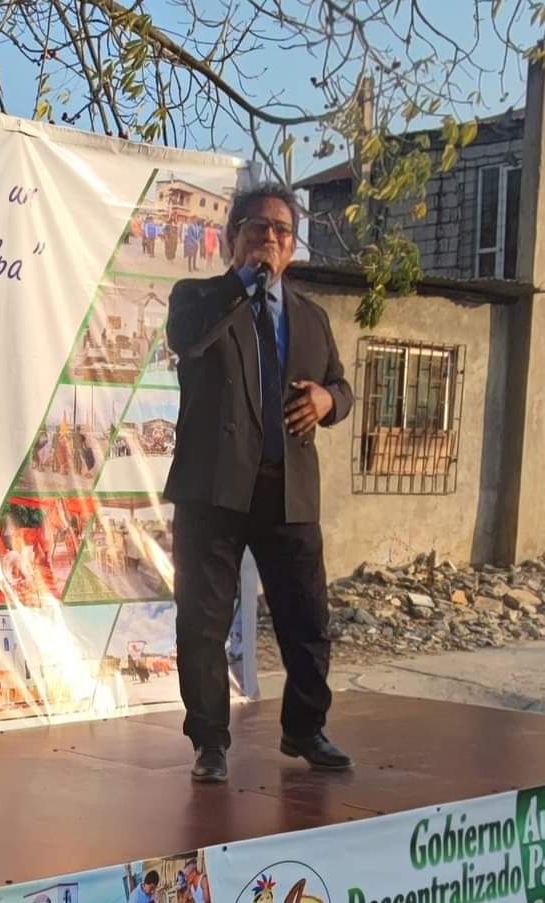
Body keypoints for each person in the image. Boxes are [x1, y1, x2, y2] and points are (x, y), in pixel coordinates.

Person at [163, 183, 354, 783]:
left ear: (293, 246)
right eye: (258, 228)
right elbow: (188, 341)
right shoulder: (198, 298)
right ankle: (209, 743)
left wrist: (329, 400)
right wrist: (244, 283)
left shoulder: (311, 318)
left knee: (307, 620)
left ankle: (305, 728)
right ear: (233, 238)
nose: (270, 238)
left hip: (287, 490)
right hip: (214, 490)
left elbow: (342, 386)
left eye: (281, 231)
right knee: (204, 624)